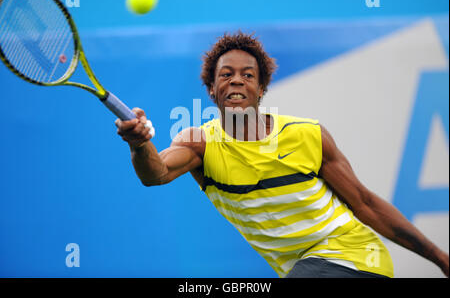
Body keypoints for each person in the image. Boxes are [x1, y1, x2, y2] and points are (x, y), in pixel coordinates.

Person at [115, 31, 449, 278]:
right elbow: (155, 175)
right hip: (300, 270)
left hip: (355, 257)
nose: (237, 81)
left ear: (261, 90)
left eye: (248, 75)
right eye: (226, 75)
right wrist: (139, 144)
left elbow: (365, 203)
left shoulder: (307, 135)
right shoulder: (199, 144)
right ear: (212, 90)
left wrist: (440, 258)